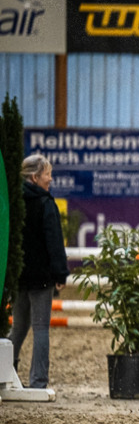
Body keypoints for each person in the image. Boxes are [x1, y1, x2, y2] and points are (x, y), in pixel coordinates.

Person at [10, 155, 70, 389]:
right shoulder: (46, 203)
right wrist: (60, 274)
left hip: (20, 277)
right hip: (41, 278)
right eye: (47, 174)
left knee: (18, 327)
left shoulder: (15, 203)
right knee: (41, 328)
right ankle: (38, 381)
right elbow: (54, 242)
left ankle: (5, 373)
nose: (50, 179)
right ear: (35, 177)